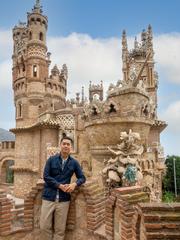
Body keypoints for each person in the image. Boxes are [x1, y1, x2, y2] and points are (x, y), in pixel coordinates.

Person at [40, 136, 86, 240]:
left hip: (64, 200)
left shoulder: (74, 163)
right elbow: (46, 176)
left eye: (68, 144)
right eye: (64, 143)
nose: (66, 146)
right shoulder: (51, 160)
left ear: (71, 147)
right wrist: (59, 185)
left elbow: (82, 177)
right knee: (44, 226)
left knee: (60, 230)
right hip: (48, 197)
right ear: (60, 145)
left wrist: (74, 184)